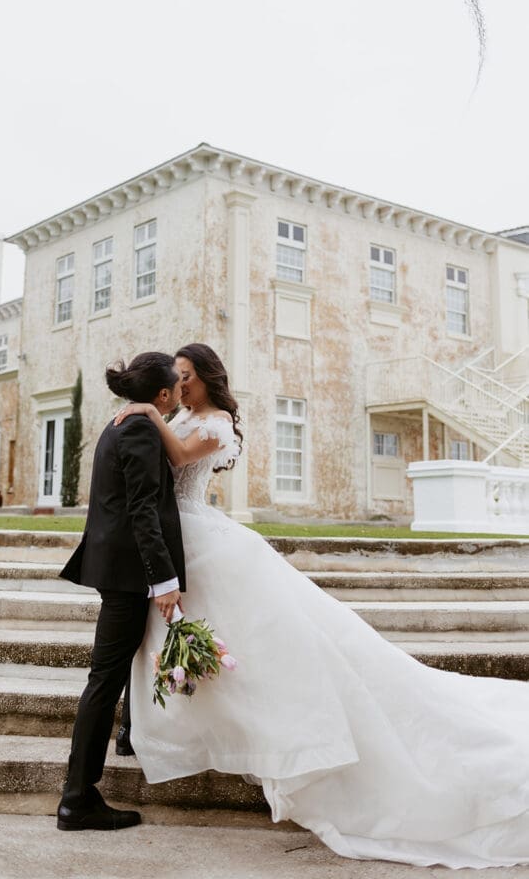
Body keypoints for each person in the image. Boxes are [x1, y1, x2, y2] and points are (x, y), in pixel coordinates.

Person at [113, 342, 529, 869]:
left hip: (200, 536)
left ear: (206, 378)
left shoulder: (211, 422)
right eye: (178, 376)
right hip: (181, 537)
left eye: (188, 375)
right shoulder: (184, 413)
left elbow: (177, 456)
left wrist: (149, 410)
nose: (181, 383)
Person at [57, 351, 185, 831]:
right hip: (129, 576)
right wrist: (164, 580)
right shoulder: (139, 429)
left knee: (108, 676)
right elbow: (142, 510)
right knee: (103, 680)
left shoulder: (121, 423)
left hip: (121, 572)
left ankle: (116, 749)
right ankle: (77, 798)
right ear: (163, 394)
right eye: (175, 387)